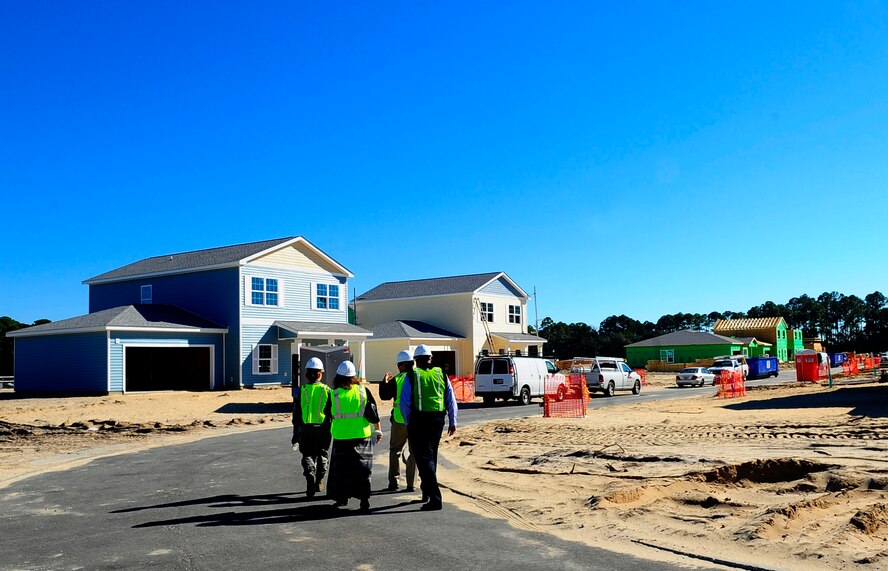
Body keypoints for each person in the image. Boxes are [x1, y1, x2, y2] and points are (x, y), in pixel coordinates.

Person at [400, 344, 457, 511]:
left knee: (424, 459)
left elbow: (405, 403)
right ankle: (426, 492)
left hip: (419, 420)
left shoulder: (412, 375)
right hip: (438, 420)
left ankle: (435, 498)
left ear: (416, 361)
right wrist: (453, 421)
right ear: (430, 359)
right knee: (431, 456)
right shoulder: (441, 374)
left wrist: (408, 422)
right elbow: (451, 399)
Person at [327, 360, 383, 512]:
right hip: (362, 438)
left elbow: (327, 414)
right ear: (354, 376)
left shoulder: (333, 394)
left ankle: (342, 498)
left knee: (341, 471)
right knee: (363, 471)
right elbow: (373, 414)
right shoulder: (363, 391)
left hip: (341, 437)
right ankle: (364, 500)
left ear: (337, 376)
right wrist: (378, 430)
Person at [291, 357, 332, 498]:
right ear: (320, 374)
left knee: (307, 454)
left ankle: (310, 476)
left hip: (306, 428)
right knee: (322, 454)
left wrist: (295, 433)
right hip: (323, 429)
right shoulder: (327, 390)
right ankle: (319, 480)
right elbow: (331, 411)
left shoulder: (302, 390)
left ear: (307, 374)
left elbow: (296, 413)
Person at [379, 349, 417, 492]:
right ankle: (411, 484)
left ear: (401, 365)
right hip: (414, 420)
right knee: (413, 452)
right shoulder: (417, 378)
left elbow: (384, 396)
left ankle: (394, 482)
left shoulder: (397, 379)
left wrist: (384, 382)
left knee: (395, 450)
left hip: (399, 419)